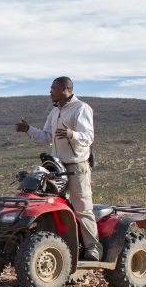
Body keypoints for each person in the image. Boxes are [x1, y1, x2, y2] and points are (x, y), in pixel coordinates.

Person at [15, 76, 102, 261]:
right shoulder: (55, 112)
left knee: (82, 207)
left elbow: (88, 137)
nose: (50, 91)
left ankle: (93, 248)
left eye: (53, 88)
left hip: (77, 164)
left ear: (64, 89)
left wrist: (72, 134)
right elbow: (47, 137)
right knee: (52, 205)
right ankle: (60, 247)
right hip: (57, 166)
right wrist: (29, 129)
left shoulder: (81, 108)